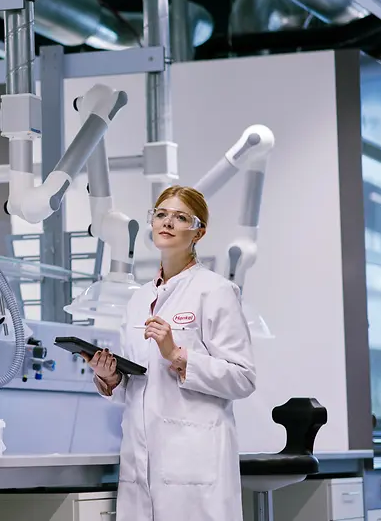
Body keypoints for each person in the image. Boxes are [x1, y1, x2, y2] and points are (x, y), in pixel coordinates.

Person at [85, 185, 256, 521]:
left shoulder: (215, 291)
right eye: (161, 214)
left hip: (194, 463)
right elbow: (139, 383)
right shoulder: (138, 299)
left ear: (198, 232)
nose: (168, 222)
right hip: (140, 461)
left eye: (181, 218)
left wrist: (177, 354)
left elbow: (243, 378)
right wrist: (110, 376)